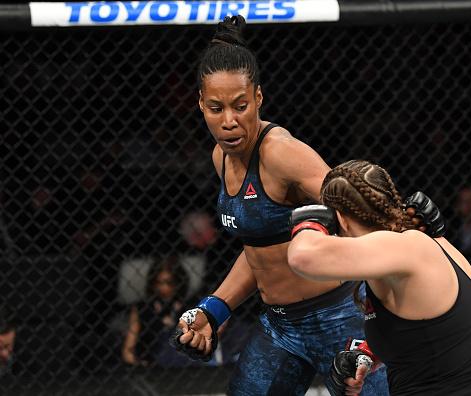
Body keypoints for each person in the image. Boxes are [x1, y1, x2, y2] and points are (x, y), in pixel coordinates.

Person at [173, 16, 444, 395]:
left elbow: (358, 209)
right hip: (280, 328)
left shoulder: (283, 154)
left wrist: (407, 225)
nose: (229, 121)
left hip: (341, 319)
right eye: (216, 108)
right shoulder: (221, 156)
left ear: (259, 99)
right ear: (200, 103)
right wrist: (214, 309)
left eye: (241, 105)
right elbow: (260, 250)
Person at [287, 160, 471, 395]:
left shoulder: (405, 247)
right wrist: (366, 356)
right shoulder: (418, 247)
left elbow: (301, 257)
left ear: (340, 219)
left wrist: (310, 223)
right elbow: (433, 338)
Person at [122, 257, 192, 368]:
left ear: (178, 283)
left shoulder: (188, 308)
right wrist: (139, 365)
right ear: (152, 283)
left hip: (183, 366)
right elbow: (128, 350)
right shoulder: (143, 309)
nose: (164, 288)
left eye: (169, 283)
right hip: (151, 366)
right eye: (158, 283)